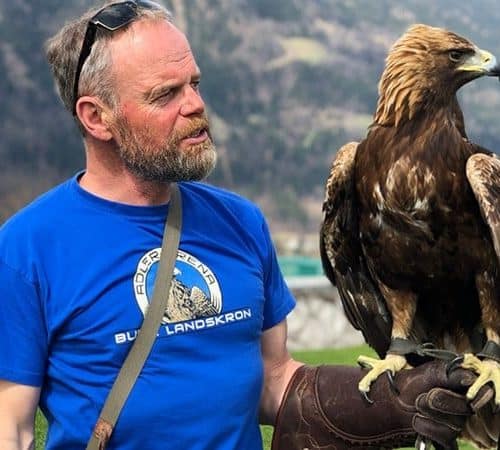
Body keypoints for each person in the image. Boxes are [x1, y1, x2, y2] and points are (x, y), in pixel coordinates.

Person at [0, 1, 489, 449]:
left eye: (194, 84)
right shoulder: (27, 250)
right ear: (96, 117)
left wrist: (395, 402)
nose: (194, 105)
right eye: (165, 94)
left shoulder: (238, 223)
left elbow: (272, 380)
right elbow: (13, 428)